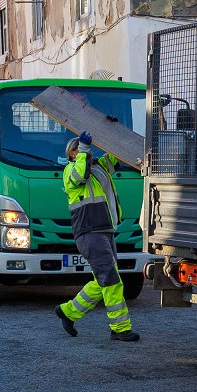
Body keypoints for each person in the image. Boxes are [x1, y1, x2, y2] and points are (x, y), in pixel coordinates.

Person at [55, 133, 139, 343]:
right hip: (89, 231)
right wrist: (84, 150)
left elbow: (115, 156)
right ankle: (120, 328)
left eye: (87, 148)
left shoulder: (98, 166)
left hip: (105, 230)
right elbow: (80, 176)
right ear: (72, 153)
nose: (86, 151)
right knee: (111, 279)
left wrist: (107, 131)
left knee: (103, 278)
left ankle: (68, 312)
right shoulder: (70, 171)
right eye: (80, 149)